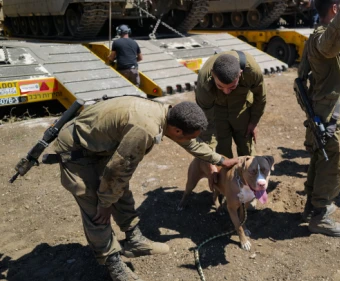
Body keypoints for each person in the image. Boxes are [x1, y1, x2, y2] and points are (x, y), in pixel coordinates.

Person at [52, 97, 239, 281]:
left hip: (100, 146)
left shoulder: (167, 114)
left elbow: (190, 142)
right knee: (96, 210)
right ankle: (113, 264)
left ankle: (134, 241)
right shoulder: (144, 130)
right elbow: (119, 169)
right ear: (176, 130)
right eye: (188, 135)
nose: (190, 140)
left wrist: (220, 160)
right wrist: (105, 202)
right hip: (77, 151)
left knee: (120, 190)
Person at [297, 0, 340, 237]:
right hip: (329, 112)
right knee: (333, 163)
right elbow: (329, 47)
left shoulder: (325, 35)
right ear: (335, 8)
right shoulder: (324, 37)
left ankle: (311, 207)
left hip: (328, 108)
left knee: (320, 157)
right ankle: (320, 215)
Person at [195, 51, 266, 159]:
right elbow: (205, 115)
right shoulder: (205, 79)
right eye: (220, 86)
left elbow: (260, 97)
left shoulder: (251, 71)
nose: (226, 91)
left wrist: (253, 122)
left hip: (242, 108)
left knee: (247, 151)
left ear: (240, 74)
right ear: (213, 74)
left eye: (232, 87)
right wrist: (209, 147)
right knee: (222, 153)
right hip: (217, 111)